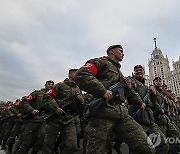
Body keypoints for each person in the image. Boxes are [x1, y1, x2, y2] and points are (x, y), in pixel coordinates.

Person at [75, 44, 155, 154]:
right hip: (102, 113)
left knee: (147, 147)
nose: (123, 53)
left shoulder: (119, 73)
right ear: (112, 52)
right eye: (120, 51)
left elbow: (127, 94)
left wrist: (133, 94)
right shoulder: (101, 62)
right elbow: (81, 74)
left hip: (120, 114)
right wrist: (102, 91)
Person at [128, 65, 169, 154]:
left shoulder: (145, 86)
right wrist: (139, 102)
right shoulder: (132, 81)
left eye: (141, 70)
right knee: (139, 147)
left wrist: (153, 94)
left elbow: (152, 102)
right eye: (137, 70)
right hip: (136, 117)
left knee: (163, 144)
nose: (139, 72)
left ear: (144, 72)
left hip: (148, 118)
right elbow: (130, 93)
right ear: (134, 72)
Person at [42, 69, 84, 154]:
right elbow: (47, 98)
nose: (76, 75)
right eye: (74, 73)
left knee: (72, 145)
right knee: (49, 144)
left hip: (69, 119)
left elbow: (81, 106)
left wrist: (82, 101)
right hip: (56, 118)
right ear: (69, 75)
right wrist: (56, 108)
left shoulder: (78, 89)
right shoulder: (60, 85)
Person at [15, 80, 54, 154]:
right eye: (49, 84)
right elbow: (25, 102)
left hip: (45, 120)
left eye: (52, 84)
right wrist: (31, 110)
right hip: (33, 120)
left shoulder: (53, 95)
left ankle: (34, 151)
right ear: (45, 85)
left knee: (42, 138)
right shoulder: (37, 93)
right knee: (26, 141)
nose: (50, 86)